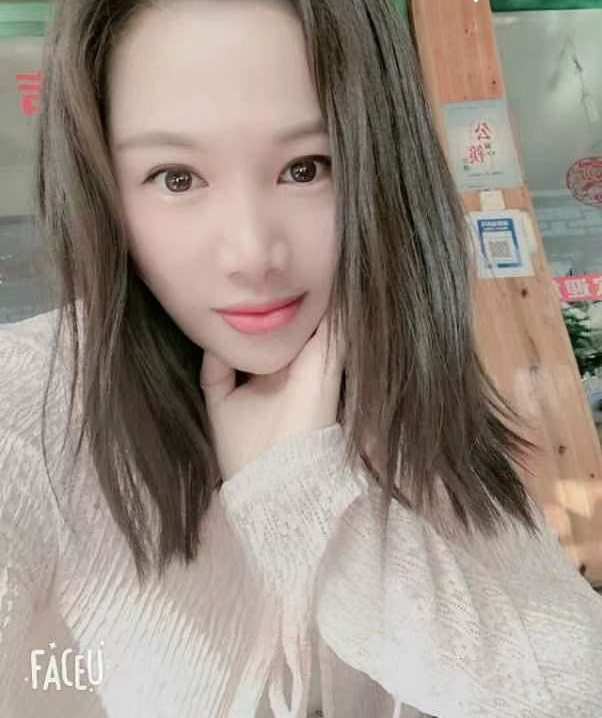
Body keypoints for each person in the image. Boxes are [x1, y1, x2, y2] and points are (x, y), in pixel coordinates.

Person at [1, 0, 601, 716]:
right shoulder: (31, 412)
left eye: (306, 168)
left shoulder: (410, 404)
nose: (253, 254)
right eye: (176, 177)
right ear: (102, 191)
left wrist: (304, 499)